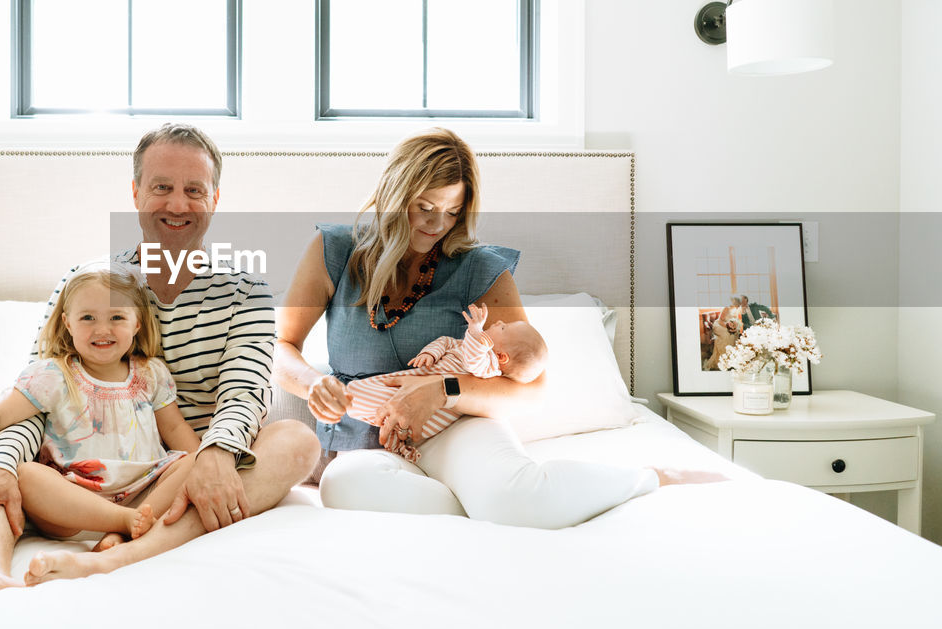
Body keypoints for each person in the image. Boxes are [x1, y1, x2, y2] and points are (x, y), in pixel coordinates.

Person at [0, 124, 320, 602]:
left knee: (297, 442)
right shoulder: (87, 283)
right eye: (161, 187)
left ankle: (116, 556)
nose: (177, 204)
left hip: (178, 476)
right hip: (74, 475)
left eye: (193, 190)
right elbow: (34, 395)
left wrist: (214, 455)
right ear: (135, 193)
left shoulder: (246, 292)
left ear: (214, 198)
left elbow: (242, 396)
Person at [274, 128, 717, 529]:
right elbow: (281, 347)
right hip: (367, 437)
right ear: (393, 194)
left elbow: (531, 387)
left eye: (452, 212)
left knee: (513, 498)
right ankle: (479, 507)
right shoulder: (334, 250)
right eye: (424, 207)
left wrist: (444, 389)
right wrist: (314, 382)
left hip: (456, 424)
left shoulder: (478, 268)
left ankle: (649, 478)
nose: (436, 225)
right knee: (342, 488)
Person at [0, 264, 200, 561]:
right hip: (73, 504)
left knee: (195, 460)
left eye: (117, 317)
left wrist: (201, 464)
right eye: (88, 318)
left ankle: (123, 527)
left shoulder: (151, 373)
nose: (102, 329)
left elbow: (176, 430)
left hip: (144, 491)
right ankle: (122, 524)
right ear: (67, 323)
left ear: (137, 324)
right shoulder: (53, 375)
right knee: (26, 475)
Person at [343, 303, 543, 462]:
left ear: (501, 357)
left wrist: (475, 330)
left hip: (434, 414)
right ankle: (350, 398)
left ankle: (346, 399)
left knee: (372, 400)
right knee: (376, 389)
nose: (498, 321)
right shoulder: (466, 345)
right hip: (419, 378)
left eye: (503, 328)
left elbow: (473, 361)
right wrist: (431, 353)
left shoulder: (489, 367)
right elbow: (446, 342)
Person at [703, 299, 742, 370]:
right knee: (726, 335)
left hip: (728, 326)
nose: (738, 306)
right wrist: (728, 328)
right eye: (737, 304)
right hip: (719, 325)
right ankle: (721, 359)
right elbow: (720, 320)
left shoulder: (736, 310)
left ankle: (730, 359)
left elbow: (735, 321)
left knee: (735, 334)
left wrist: (734, 328)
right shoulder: (726, 308)